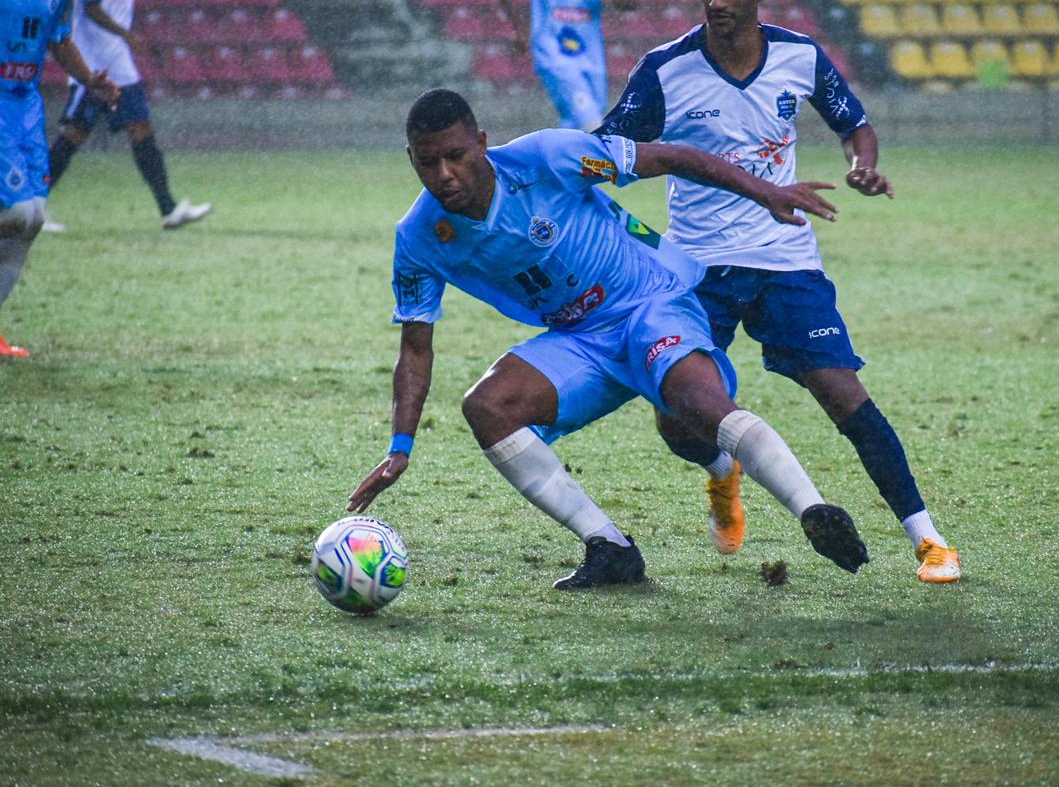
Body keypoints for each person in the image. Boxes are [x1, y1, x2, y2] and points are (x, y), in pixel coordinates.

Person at [348, 88, 871, 590]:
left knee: (691, 410)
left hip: (651, 301)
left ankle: (814, 510)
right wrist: (400, 447)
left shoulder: (550, 158)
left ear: (482, 142)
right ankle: (611, 548)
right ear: (411, 158)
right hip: (578, 337)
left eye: (456, 156)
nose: (444, 175)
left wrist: (767, 191)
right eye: (426, 163)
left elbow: (670, 157)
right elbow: (415, 350)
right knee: (488, 406)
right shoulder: (418, 237)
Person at [595, 0, 960, 583]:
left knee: (843, 393)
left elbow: (856, 123)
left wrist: (862, 165)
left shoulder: (799, 56)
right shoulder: (665, 69)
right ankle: (719, 470)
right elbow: (605, 148)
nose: (717, 1)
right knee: (677, 420)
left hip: (785, 257)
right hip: (699, 269)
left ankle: (927, 538)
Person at [0, 0, 118, 359]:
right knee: (16, 213)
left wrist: (90, 80)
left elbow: (61, 40)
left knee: (30, 222)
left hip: (25, 106)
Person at [43, 0, 210, 232]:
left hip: (119, 64)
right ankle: (32, 207)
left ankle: (169, 209)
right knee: (73, 135)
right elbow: (91, 7)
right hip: (93, 65)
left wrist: (123, 41)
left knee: (141, 129)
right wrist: (127, 35)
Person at [495, 0, 635, 131]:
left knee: (574, 123)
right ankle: (613, 159)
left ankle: (560, 161)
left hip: (590, 51)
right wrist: (518, 30)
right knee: (591, 123)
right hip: (550, 46)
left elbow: (630, 0)